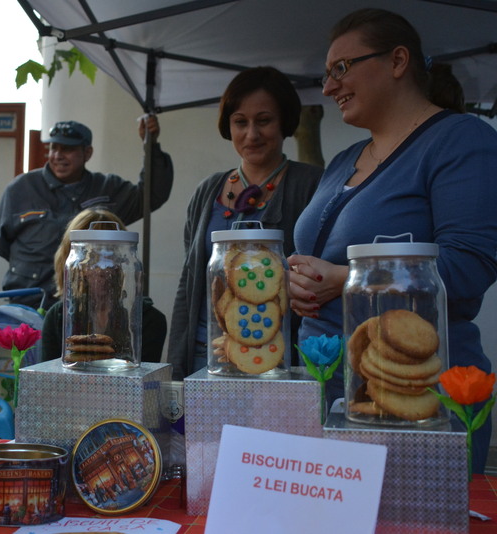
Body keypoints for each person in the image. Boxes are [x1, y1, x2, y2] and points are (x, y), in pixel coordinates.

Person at [288, 8, 497, 473]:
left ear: (398, 61)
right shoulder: (344, 159)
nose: (329, 88)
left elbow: (471, 265)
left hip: (414, 395)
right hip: (330, 388)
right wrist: (294, 281)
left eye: (341, 68)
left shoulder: (461, 141)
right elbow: (321, 256)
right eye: (326, 75)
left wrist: (348, 280)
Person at [167, 67, 322, 380]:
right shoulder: (207, 190)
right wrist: (175, 365)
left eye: (264, 121)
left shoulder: (312, 185)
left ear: (285, 122)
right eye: (240, 122)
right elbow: (189, 282)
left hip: (274, 359)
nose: (251, 134)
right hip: (206, 357)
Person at [0, 117, 174, 310]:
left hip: (88, 309)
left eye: (67, 149)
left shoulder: (106, 189)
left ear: (87, 153)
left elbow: (151, 195)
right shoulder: (21, 188)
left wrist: (151, 147)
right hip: (30, 305)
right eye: (54, 148)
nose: (58, 155)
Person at [41, 207, 167, 363]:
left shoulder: (149, 320)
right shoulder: (57, 318)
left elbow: (142, 374)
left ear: (123, 260)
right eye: (91, 257)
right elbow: (50, 373)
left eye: (110, 256)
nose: (101, 268)